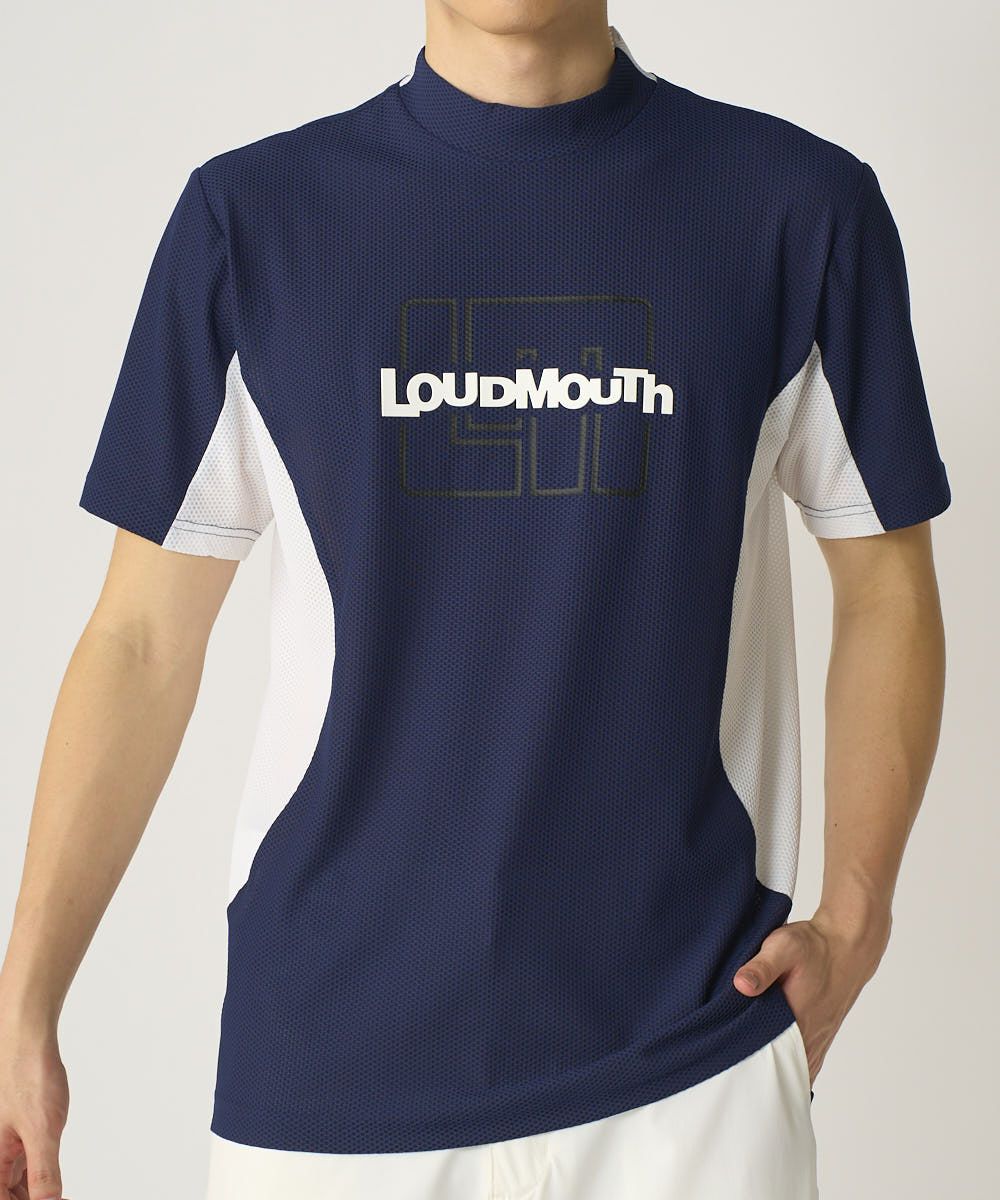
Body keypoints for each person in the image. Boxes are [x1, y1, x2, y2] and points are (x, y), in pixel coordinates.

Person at [0, 2, 951, 1197]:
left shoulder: (795, 207)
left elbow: (884, 578)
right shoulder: (254, 221)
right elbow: (140, 640)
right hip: (335, 1072)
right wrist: (24, 1005)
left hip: (690, 1056)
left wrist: (856, 920)